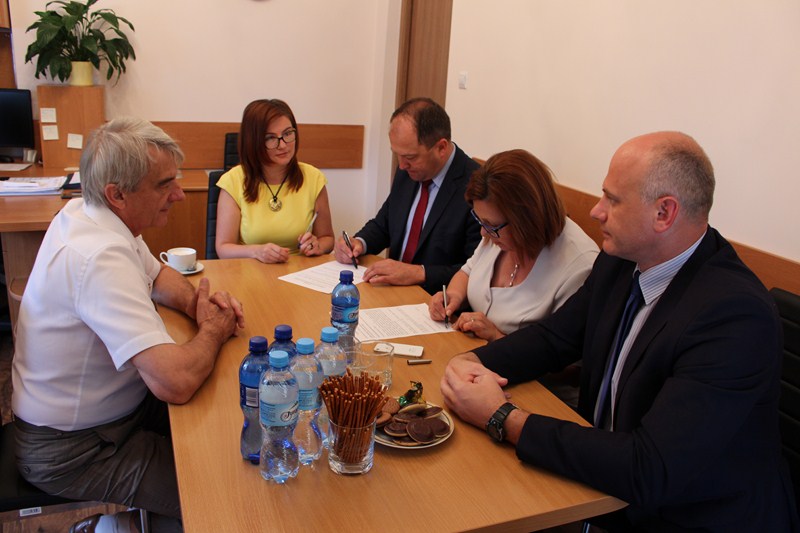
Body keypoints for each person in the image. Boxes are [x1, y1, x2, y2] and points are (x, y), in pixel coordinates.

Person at [440, 132, 798, 531]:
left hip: (687, 516)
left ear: (664, 213)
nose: (596, 212)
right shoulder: (622, 261)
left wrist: (502, 416)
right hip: (603, 485)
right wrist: (470, 361)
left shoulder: (733, 315)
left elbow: (650, 468)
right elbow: (555, 338)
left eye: (612, 200)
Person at [11, 118, 244, 533]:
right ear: (117, 194)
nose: (179, 194)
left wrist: (198, 305)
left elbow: (157, 275)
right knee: (223, 499)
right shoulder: (99, 256)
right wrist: (214, 329)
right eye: (164, 185)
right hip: (75, 449)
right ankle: (111, 528)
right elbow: (174, 382)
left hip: (112, 414)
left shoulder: (91, 212)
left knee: (228, 423)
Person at [428, 149, 598, 342]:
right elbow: (468, 271)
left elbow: (564, 353)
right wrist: (452, 297)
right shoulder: (498, 229)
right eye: (480, 220)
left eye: (491, 225)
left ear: (526, 219)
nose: (483, 233)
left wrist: (496, 336)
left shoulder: (579, 268)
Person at [333, 97, 481, 294]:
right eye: (397, 154)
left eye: (410, 157)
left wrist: (419, 273)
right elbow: (385, 224)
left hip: (436, 299)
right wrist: (359, 243)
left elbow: (476, 270)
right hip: (393, 293)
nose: (401, 165)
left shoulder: (476, 187)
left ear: (441, 148)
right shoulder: (409, 170)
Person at [216, 99, 334, 262]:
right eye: (271, 138)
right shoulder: (233, 181)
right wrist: (257, 251)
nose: (283, 145)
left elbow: (327, 238)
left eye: (288, 134)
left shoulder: (313, 178)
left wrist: (317, 245)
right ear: (253, 142)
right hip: (252, 269)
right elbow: (223, 248)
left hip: (300, 270)